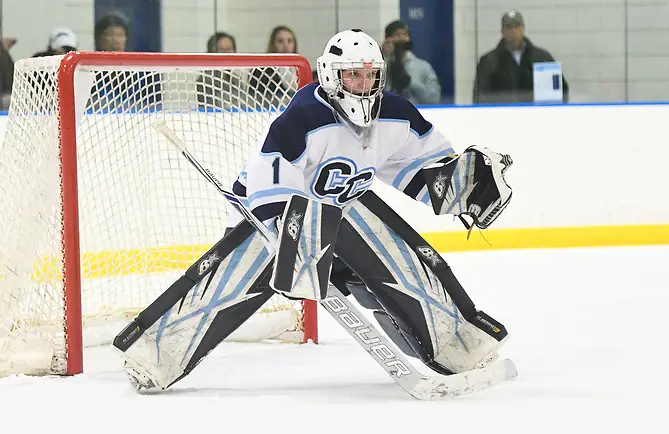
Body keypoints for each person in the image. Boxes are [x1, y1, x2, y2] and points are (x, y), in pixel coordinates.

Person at [115, 29, 515, 393]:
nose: (363, 85)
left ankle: (456, 343)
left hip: (340, 222)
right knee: (234, 281)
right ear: (329, 75)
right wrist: (296, 245)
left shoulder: (393, 115)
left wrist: (460, 187)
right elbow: (267, 189)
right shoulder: (304, 116)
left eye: (370, 75)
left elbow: (423, 170)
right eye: (352, 76)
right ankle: (154, 353)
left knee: (398, 262)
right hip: (267, 222)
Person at [473, 10, 569, 104]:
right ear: (502, 31)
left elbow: (561, 90)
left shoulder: (542, 57)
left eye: (517, 26)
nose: (513, 31)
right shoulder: (488, 61)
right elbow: (479, 96)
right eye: (509, 27)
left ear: (523, 28)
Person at [382, 20, 440, 104]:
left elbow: (434, 99)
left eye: (405, 34)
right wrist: (384, 57)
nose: (402, 38)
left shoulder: (423, 66)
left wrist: (410, 83)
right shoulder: (381, 66)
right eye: (397, 34)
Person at [196, 31, 249, 110]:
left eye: (229, 49)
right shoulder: (205, 80)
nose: (225, 54)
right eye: (221, 49)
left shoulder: (235, 79)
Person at [249, 25, 298, 108]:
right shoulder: (260, 72)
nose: (286, 45)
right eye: (280, 41)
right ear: (273, 44)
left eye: (289, 41)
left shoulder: (300, 69)